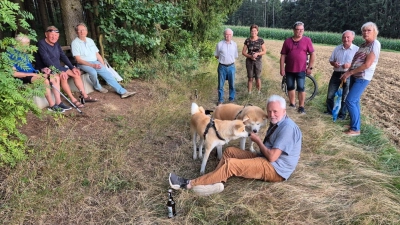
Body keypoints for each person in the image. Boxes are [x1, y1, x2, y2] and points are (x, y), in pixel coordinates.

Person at [169, 95, 302, 196]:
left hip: (276, 169)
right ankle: (216, 182)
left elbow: (272, 157)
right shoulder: (278, 122)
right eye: (269, 111)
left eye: (275, 111)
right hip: (265, 159)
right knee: (230, 151)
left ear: (284, 111)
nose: (272, 115)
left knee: (231, 164)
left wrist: (258, 141)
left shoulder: (287, 128)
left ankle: (189, 183)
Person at [35, 25, 96, 108]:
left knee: (76, 73)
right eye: (52, 35)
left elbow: (63, 56)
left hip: (57, 67)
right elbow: (46, 60)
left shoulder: (56, 44)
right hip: (46, 68)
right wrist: (59, 71)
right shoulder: (41, 44)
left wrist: (72, 67)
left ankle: (84, 96)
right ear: (46, 34)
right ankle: (73, 99)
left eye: (56, 35)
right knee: (63, 77)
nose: (54, 37)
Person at [71, 23, 136, 99]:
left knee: (107, 74)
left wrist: (102, 64)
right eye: (80, 30)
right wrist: (92, 65)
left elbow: (97, 54)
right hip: (83, 63)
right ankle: (97, 87)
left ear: (86, 31)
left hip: (95, 62)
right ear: (76, 32)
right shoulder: (75, 43)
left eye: (84, 30)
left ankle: (123, 92)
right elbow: (78, 60)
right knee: (93, 72)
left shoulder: (90, 41)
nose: (82, 32)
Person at [9, 34, 69, 112]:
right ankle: (52, 105)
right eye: (26, 44)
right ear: (19, 43)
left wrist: (42, 69)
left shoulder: (24, 53)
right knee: (44, 80)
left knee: (55, 77)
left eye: (28, 43)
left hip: (32, 74)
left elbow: (30, 68)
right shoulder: (10, 54)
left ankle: (58, 102)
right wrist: (32, 74)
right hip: (22, 77)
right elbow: (14, 73)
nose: (28, 46)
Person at [340, 22, 381, 136]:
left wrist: (350, 73)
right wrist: (348, 72)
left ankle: (355, 130)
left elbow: (367, 64)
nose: (366, 32)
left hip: (363, 77)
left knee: (350, 100)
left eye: (369, 30)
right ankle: (354, 124)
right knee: (355, 101)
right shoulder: (363, 45)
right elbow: (355, 61)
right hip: (355, 75)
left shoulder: (375, 44)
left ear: (374, 32)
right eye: (364, 30)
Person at [280, 21, 316, 114]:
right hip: (289, 69)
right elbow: (283, 55)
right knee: (290, 87)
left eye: (302, 30)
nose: (300, 32)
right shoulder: (287, 41)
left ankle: (301, 107)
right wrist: (282, 68)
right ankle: (292, 104)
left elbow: (312, 54)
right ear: (293, 30)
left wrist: (310, 68)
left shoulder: (307, 40)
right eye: (298, 30)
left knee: (301, 88)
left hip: (301, 69)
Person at [325, 30, 359, 120]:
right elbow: (331, 60)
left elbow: (360, 64)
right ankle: (329, 111)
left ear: (353, 38)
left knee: (345, 95)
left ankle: (342, 115)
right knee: (330, 94)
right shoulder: (337, 48)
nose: (346, 39)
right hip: (336, 73)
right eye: (344, 37)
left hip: (349, 75)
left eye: (348, 37)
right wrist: (334, 63)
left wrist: (349, 65)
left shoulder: (356, 50)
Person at [214, 28, 238, 105]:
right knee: (220, 85)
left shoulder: (234, 44)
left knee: (232, 84)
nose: (228, 36)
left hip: (231, 67)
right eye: (226, 34)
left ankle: (231, 99)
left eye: (229, 34)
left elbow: (235, 56)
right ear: (224, 35)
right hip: (222, 67)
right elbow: (217, 56)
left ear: (232, 35)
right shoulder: (219, 44)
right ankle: (220, 100)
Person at [242, 24, 266, 95]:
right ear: (250, 32)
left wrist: (258, 54)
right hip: (249, 61)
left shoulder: (261, 40)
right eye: (252, 31)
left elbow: (264, 51)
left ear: (257, 32)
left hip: (258, 61)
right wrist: (250, 56)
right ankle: (249, 93)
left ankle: (258, 92)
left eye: (255, 31)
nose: (253, 32)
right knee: (250, 78)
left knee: (258, 77)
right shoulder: (247, 40)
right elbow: (243, 52)